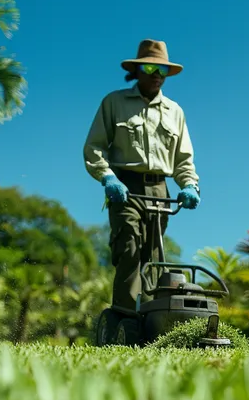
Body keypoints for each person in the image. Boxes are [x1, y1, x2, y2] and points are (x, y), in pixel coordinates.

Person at [83, 39, 201, 311]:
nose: (157, 74)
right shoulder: (114, 103)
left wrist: (190, 185)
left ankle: (153, 319)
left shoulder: (175, 112)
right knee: (129, 249)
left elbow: (183, 159)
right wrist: (108, 177)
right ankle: (125, 319)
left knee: (155, 257)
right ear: (137, 70)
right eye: (151, 67)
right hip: (126, 188)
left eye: (162, 69)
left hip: (160, 192)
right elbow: (94, 147)